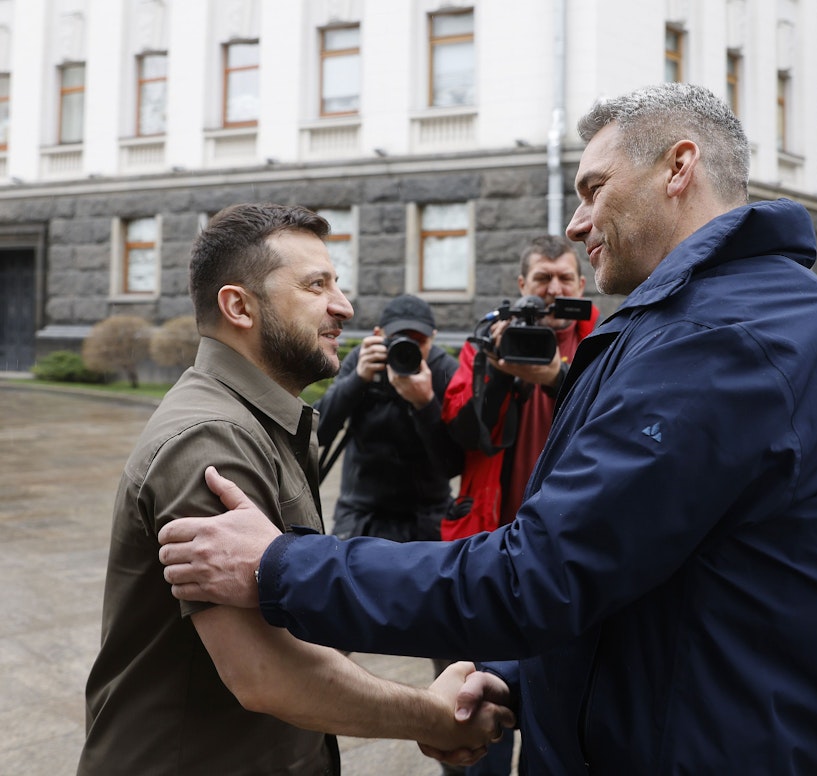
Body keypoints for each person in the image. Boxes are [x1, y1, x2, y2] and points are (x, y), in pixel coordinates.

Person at [158, 84, 817, 774]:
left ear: (679, 167)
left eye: (593, 189)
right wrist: (518, 681)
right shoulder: (711, 319)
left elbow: (539, 575)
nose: (576, 225)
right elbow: (641, 582)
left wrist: (280, 567)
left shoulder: (724, 339)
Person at [78, 203, 511, 776]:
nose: (344, 307)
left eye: (338, 284)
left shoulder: (256, 419)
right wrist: (434, 717)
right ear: (239, 306)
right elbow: (267, 674)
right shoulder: (212, 441)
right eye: (316, 286)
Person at [441, 236, 598, 774]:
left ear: (581, 286)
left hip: (567, 564)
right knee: (472, 723)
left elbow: (617, 424)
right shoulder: (488, 340)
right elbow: (465, 432)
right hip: (487, 550)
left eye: (565, 279)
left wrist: (557, 378)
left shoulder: (607, 345)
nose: (554, 289)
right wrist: (497, 370)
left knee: (558, 722)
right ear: (521, 287)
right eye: (542, 280)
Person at [315, 293, 462, 544]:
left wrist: (424, 403)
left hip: (427, 517)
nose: (409, 349)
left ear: (433, 338)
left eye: (419, 341)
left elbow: (452, 464)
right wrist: (358, 379)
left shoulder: (444, 370)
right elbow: (317, 433)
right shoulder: (364, 359)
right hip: (362, 515)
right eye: (399, 340)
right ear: (378, 336)